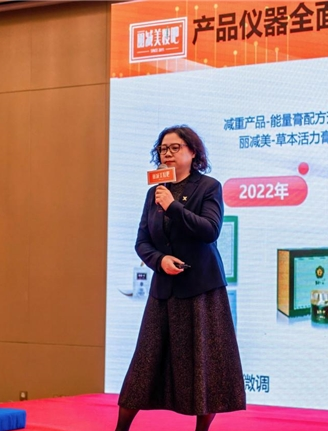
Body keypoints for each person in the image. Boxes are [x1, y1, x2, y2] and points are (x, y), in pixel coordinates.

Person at [116, 125, 246, 431]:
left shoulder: (208, 187)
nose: (168, 153)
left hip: (202, 290)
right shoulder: (154, 193)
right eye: (163, 149)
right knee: (144, 366)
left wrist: (172, 206)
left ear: (193, 152)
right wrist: (159, 261)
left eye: (175, 147)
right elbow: (142, 242)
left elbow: (210, 230)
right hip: (164, 290)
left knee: (205, 367)